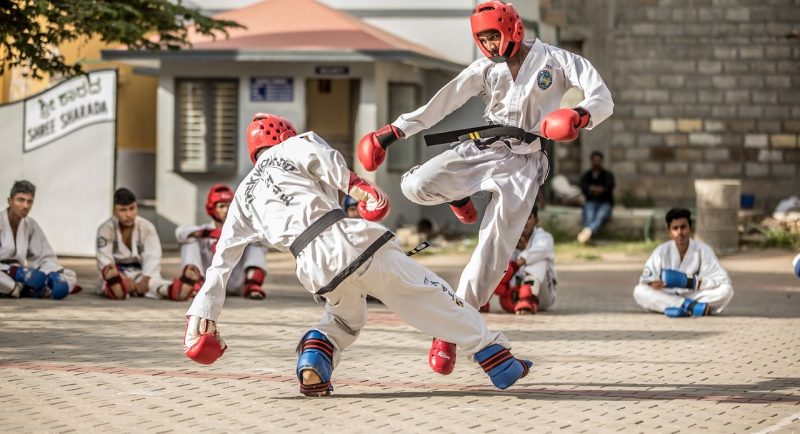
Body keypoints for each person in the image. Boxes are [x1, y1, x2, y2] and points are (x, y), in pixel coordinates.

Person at [183, 113, 532, 396]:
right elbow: (320, 157)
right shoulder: (294, 146)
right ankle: (496, 358)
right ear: (283, 136)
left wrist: (202, 322)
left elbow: (221, 262)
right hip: (345, 238)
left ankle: (314, 362)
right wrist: (357, 185)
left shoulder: (243, 194)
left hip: (312, 266)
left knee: (345, 318)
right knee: (427, 291)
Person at [355, 0, 613, 374]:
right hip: (484, 148)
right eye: (484, 39)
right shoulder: (485, 70)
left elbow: (601, 95)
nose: (491, 45)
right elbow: (442, 102)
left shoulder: (557, 61)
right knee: (416, 185)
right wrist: (393, 131)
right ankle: (458, 194)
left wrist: (579, 115)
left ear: (514, 29)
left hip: (525, 163)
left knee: (492, 252)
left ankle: (450, 327)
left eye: (495, 36)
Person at [633, 208, 734, 317]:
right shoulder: (661, 252)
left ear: (691, 228)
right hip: (668, 294)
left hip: (694, 295)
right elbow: (645, 280)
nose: (680, 232)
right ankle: (690, 307)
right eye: (675, 228)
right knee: (639, 291)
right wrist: (653, 283)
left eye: (683, 227)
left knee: (727, 290)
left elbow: (723, 279)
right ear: (670, 232)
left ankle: (678, 307)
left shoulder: (704, 251)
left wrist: (692, 282)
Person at [174, 184, 268, 300]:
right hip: (206, 284)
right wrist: (210, 233)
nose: (226, 210)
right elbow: (180, 233)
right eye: (221, 206)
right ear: (212, 208)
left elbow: (264, 238)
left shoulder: (242, 230)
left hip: (235, 284)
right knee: (190, 241)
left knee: (256, 244)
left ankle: (253, 284)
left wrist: (244, 235)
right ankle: (194, 284)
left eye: (229, 206)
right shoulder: (204, 231)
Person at [0, 180, 78, 299]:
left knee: (68, 276)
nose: (25, 206)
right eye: (20, 200)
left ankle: (25, 288)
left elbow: (44, 257)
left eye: (29, 201)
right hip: (4, 273)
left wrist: (53, 274)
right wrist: (11, 271)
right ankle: (25, 289)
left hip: (21, 275)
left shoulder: (30, 225)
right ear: (9, 201)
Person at [95, 188, 172, 300]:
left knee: (155, 283)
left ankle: (170, 290)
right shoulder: (105, 229)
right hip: (117, 273)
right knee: (108, 282)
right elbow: (104, 260)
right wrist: (122, 278)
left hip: (141, 273)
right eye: (123, 210)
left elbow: (153, 256)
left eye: (132, 208)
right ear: (114, 212)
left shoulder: (147, 227)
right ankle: (117, 287)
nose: (129, 214)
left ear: (137, 208)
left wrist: (145, 280)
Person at [489, 205, 557, 314]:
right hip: (513, 296)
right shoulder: (509, 240)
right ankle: (482, 300)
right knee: (496, 259)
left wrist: (516, 264)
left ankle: (527, 298)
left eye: (528, 218)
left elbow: (542, 250)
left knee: (539, 260)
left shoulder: (544, 237)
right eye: (520, 218)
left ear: (536, 220)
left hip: (542, 297)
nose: (524, 222)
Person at [577, 150, 615, 244]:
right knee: (589, 216)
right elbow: (584, 187)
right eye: (595, 160)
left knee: (600, 216)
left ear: (602, 161)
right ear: (591, 161)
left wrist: (595, 189)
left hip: (605, 202)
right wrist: (596, 189)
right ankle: (588, 235)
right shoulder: (587, 175)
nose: (596, 163)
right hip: (591, 202)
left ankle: (587, 233)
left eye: (598, 160)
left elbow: (608, 187)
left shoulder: (608, 175)